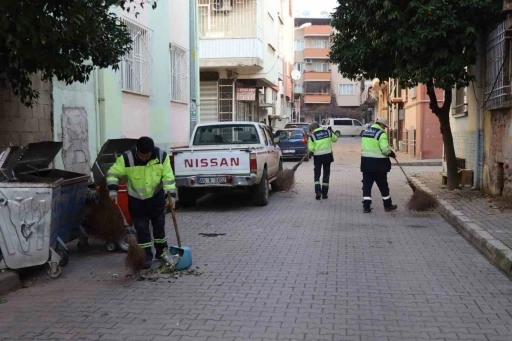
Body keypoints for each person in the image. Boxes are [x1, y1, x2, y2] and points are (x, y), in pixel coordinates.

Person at [106, 137, 177, 269]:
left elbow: (168, 177)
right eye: (141, 155)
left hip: (156, 198)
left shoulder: (162, 157)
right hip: (137, 200)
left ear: (152, 151)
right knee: (142, 230)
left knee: (159, 229)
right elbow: (112, 173)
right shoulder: (127, 158)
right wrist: (113, 189)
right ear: (137, 150)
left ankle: (162, 253)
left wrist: (171, 196)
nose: (144, 158)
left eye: (147, 155)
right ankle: (145, 257)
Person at [360, 118, 398, 213]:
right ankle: (387, 205)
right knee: (383, 186)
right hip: (379, 165)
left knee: (366, 186)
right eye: (384, 126)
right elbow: (385, 150)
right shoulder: (381, 134)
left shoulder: (365, 132)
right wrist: (392, 154)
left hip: (366, 164)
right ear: (381, 125)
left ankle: (366, 207)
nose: (384, 128)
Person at [308, 122, 338, 200]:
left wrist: (314, 147)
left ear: (312, 129)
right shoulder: (328, 132)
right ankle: (324, 194)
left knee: (317, 175)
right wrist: (332, 131)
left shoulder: (312, 136)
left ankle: (318, 191)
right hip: (327, 157)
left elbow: (311, 148)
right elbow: (335, 139)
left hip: (318, 158)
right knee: (326, 175)